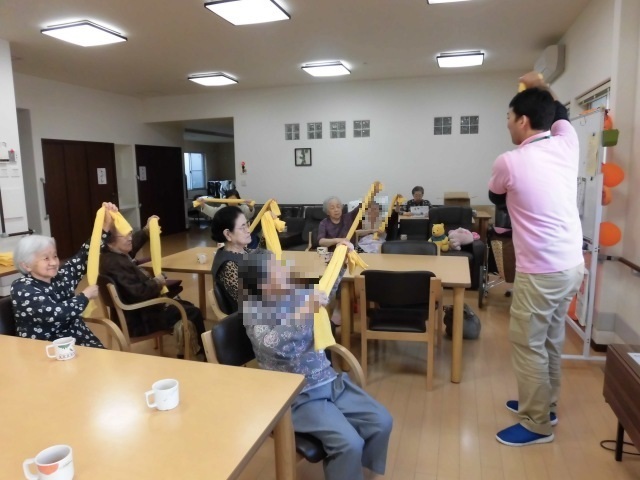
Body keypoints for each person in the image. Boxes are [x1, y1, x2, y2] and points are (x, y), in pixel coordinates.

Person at [489, 72, 584, 446]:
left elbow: (496, 197)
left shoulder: (510, 161)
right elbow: (559, 112)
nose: (507, 124)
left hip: (541, 271)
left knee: (529, 345)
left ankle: (536, 423)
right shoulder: (568, 143)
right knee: (551, 338)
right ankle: (547, 406)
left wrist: (535, 88)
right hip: (571, 266)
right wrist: (541, 85)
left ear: (523, 121)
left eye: (509, 117)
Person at [239, 251, 393, 480]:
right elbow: (275, 346)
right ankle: (348, 467)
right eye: (277, 269)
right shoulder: (254, 312)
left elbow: (324, 291)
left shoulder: (293, 294)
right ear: (262, 283)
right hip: (297, 397)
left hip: (329, 382)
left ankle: (352, 469)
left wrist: (339, 262)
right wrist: (304, 312)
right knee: (349, 443)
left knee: (382, 420)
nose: (285, 270)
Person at [11, 202, 119, 348]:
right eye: (46, 258)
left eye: (55, 256)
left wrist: (105, 226)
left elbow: (86, 255)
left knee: (108, 359)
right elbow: (56, 313)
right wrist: (85, 296)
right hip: (45, 348)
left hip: (78, 339)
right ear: (26, 265)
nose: (53, 262)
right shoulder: (21, 288)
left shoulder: (60, 277)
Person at [100, 215, 205, 358]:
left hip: (134, 314)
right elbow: (139, 293)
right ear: (111, 241)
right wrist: (157, 282)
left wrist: (145, 230)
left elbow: (132, 246)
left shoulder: (111, 255)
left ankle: (187, 347)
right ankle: (203, 353)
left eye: (130, 233)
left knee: (186, 306)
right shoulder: (116, 264)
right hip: (139, 319)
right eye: (125, 235)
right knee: (193, 312)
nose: (130, 238)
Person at [210, 206, 255, 313]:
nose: (248, 230)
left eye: (247, 224)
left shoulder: (245, 251)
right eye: (242, 227)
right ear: (228, 234)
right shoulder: (228, 265)